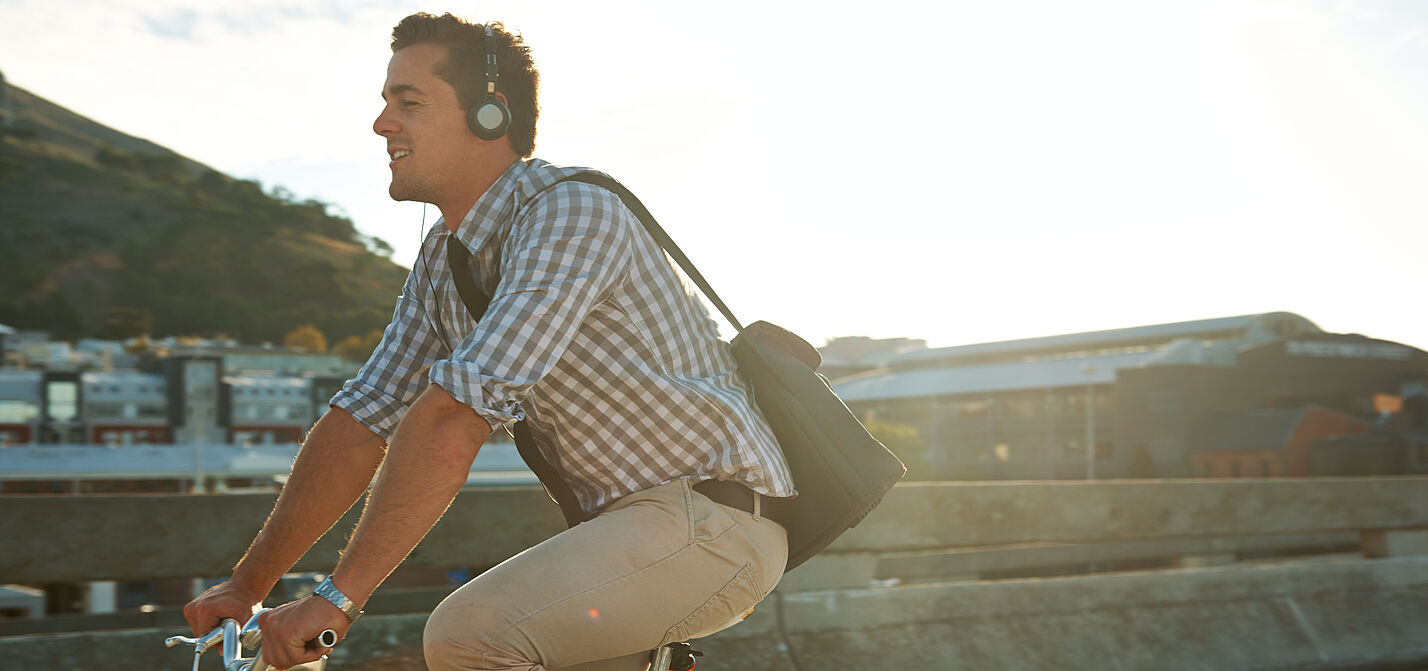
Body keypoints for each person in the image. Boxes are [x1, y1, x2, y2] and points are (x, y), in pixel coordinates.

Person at [183, 12, 795, 671]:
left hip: (716, 522)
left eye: (408, 102)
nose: (382, 123)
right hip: (625, 538)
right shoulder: (443, 260)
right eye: (384, 103)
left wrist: (336, 598)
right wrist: (248, 586)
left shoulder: (571, 212)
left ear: (489, 117)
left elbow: (453, 413)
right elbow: (362, 418)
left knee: (470, 634)